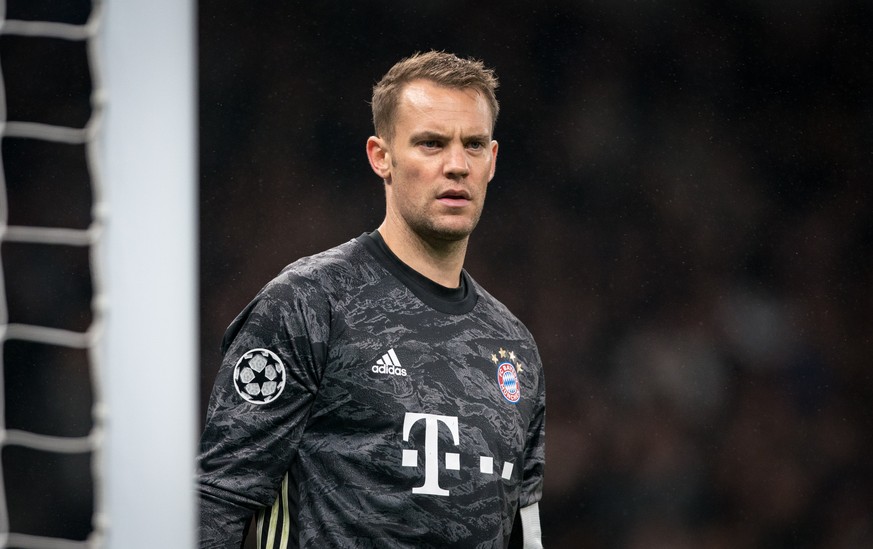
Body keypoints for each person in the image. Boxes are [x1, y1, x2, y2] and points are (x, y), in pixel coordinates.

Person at [198, 50, 546, 549]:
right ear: (381, 156)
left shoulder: (515, 347)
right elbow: (218, 497)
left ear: (492, 161)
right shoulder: (310, 304)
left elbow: (522, 531)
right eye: (430, 144)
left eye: (473, 145)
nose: (456, 165)